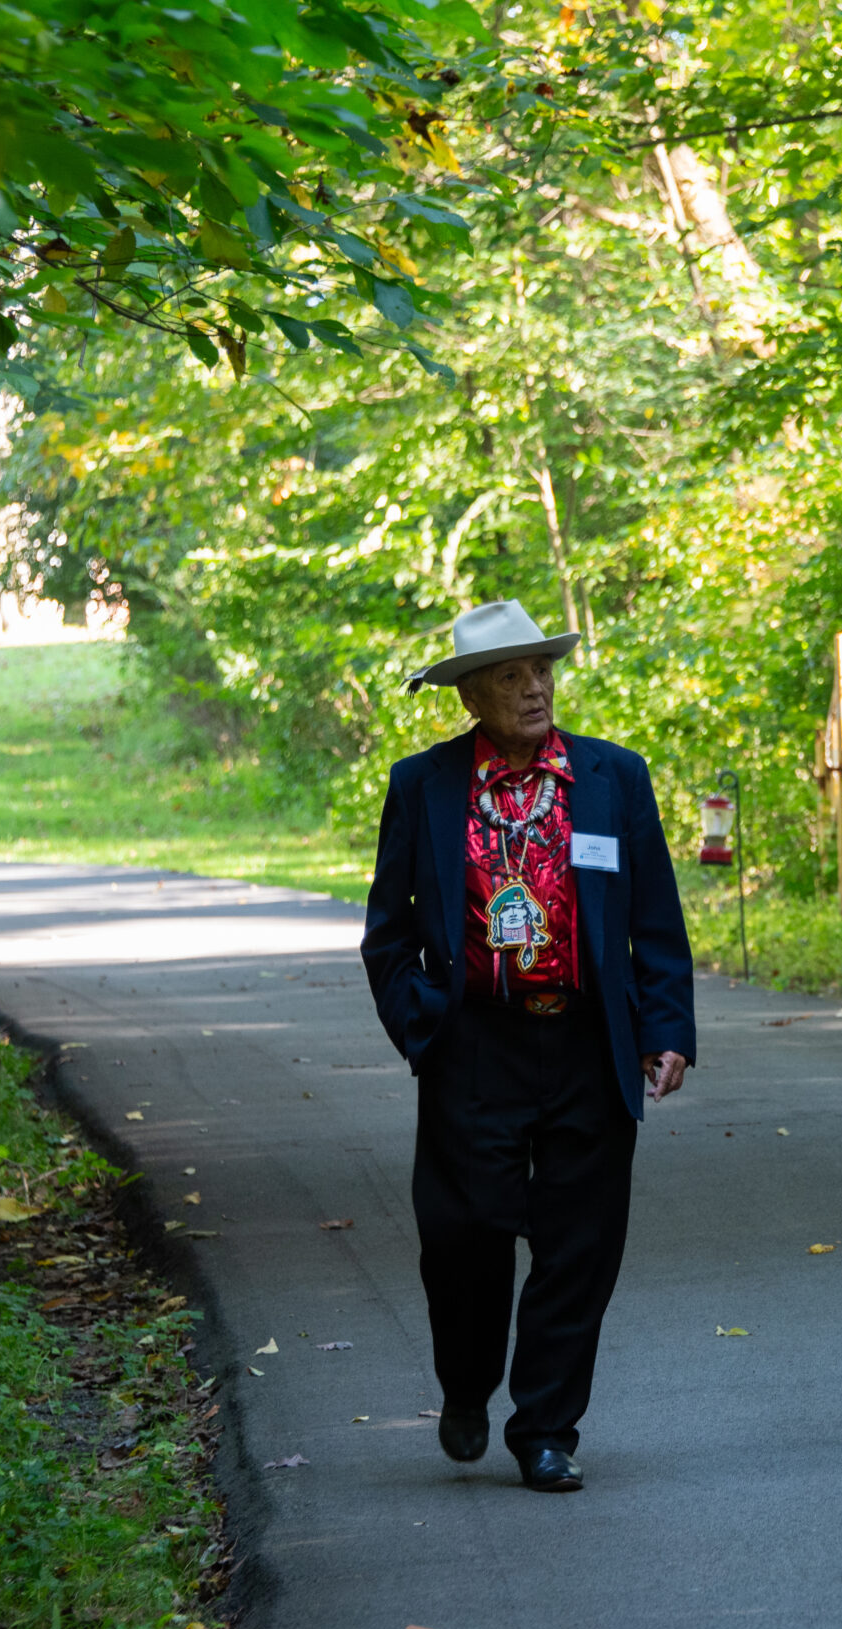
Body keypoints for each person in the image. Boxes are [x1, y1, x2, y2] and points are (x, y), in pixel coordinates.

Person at [361, 599, 697, 1491]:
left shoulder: (613, 776)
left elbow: (655, 916)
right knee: (464, 1236)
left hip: (588, 1039)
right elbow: (387, 931)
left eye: (542, 670)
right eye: (511, 676)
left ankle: (546, 1426)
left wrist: (666, 1026)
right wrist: (420, 1022)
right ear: (471, 695)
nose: (534, 688)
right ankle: (467, 1381)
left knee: (580, 1244)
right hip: (474, 1043)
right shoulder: (423, 784)